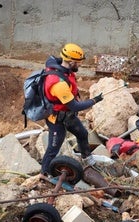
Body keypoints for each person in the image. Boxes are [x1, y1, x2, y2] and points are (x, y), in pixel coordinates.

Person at [40, 43, 103, 179]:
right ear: (71, 61)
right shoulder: (57, 82)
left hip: (67, 115)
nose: (80, 65)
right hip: (57, 119)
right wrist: (94, 101)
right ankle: (43, 174)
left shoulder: (65, 71)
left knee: (82, 134)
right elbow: (74, 106)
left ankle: (87, 160)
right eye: (78, 63)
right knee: (53, 148)